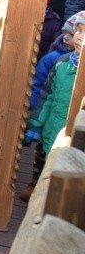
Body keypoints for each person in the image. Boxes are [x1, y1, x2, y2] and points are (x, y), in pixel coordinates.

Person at [22, 10, 85, 200]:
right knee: (41, 157)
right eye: (78, 31)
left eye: (84, 32)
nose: (79, 37)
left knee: (65, 167)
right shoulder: (62, 63)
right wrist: (36, 123)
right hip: (52, 125)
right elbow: (47, 94)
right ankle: (35, 183)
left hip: (74, 134)